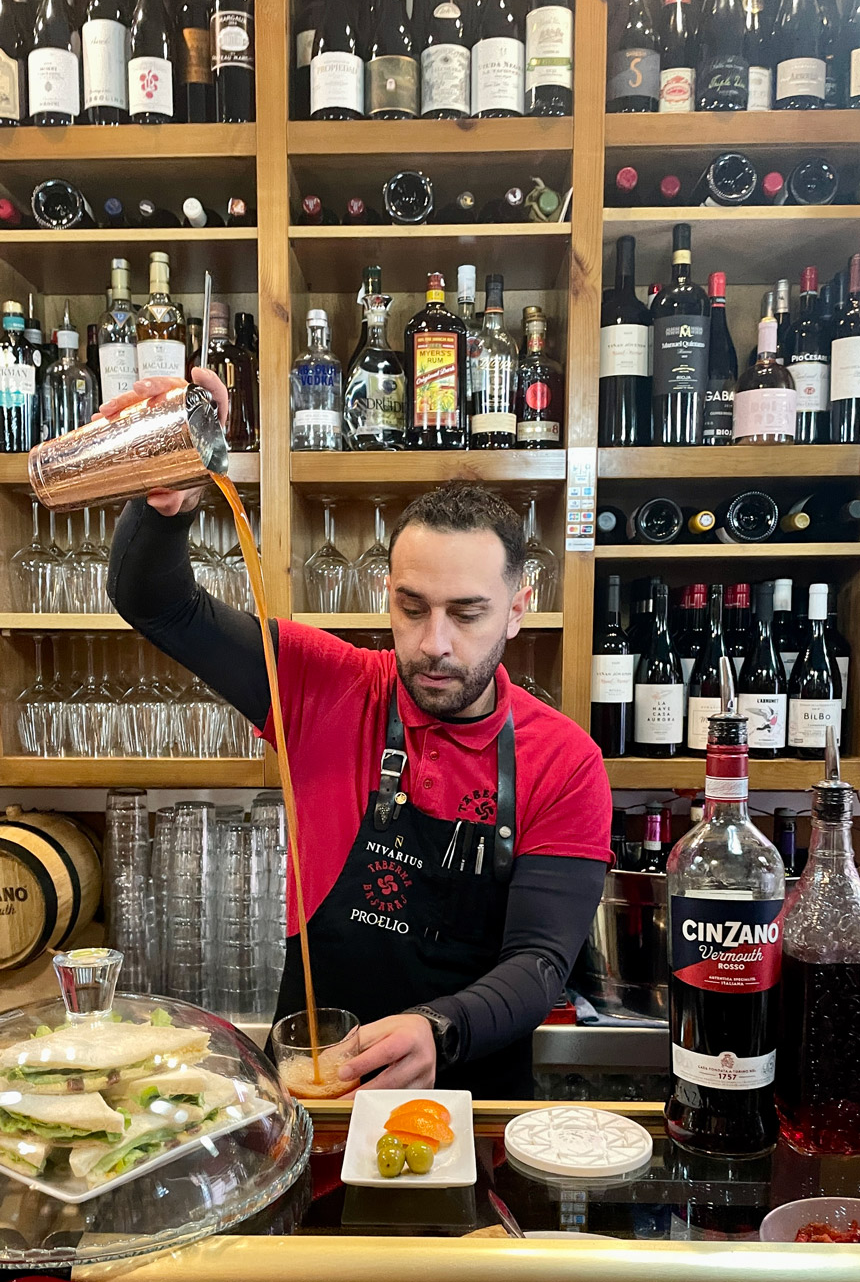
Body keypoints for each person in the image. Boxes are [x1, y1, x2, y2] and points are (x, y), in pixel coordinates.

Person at [105, 370, 612, 1099]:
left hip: (474, 1104)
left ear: (517, 608)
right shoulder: (324, 686)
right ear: (388, 594)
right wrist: (164, 501)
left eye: (467, 613)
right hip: (318, 1095)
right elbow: (155, 603)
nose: (435, 643)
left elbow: (537, 962)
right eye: (413, 608)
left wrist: (438, 1027)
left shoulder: (564, 761)